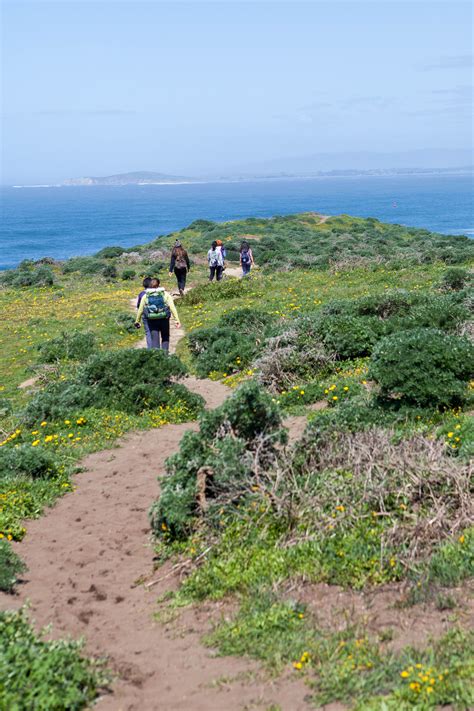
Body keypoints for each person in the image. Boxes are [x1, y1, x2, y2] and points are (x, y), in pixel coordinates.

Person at [135, 277, 181, 351]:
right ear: (159, 284)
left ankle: (158, 357)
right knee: (165, 337)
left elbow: (140, 309)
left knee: (155, 339)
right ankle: (165, 355)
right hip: (164, 319)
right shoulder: (165, 294)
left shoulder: (146, 295)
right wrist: (177, 320)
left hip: (152, 319)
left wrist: (137, 321)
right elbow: (172, 307)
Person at [136, 277, 152, 348]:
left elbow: (139, 306)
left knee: (148, 332)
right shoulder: (155, 293)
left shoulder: (141, 294)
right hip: (156, 314)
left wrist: (137, 320)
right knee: (156, 332)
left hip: (146, 315)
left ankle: (151, 350)